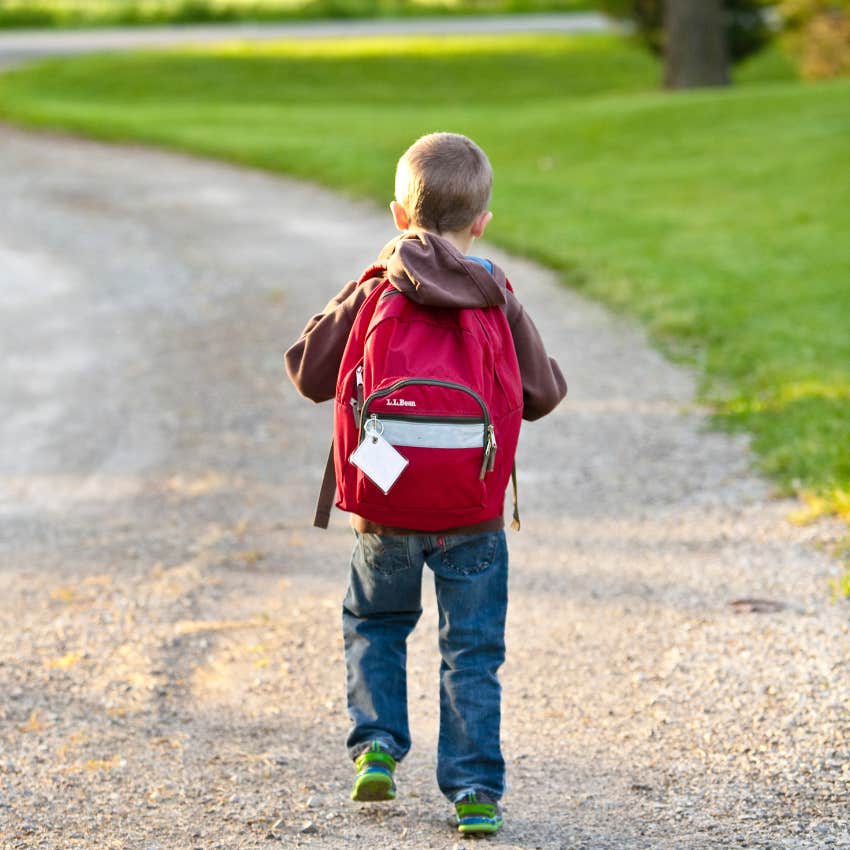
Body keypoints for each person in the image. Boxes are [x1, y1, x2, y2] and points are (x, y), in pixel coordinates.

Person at [285, 132, 566, 835]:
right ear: (482, 222)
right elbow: (543, 394)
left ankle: (377, 746)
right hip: (473, 512)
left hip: (385, 509)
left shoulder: (379, 286)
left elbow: (308, 372)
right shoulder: (494, 290)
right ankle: (474, 791)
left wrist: (364, 282)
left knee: (376, 624)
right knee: (471, 651)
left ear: (397, 216)